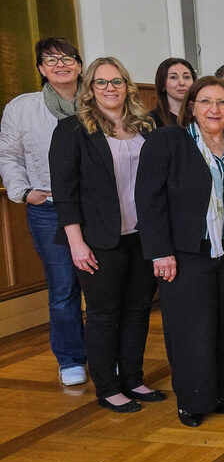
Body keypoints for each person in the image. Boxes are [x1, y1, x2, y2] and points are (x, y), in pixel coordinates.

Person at [135, 75, 224, 427]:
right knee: (192, 328)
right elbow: (149, 201)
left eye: (222, 102)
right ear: (191, 106)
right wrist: (160, 252)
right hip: (188, 251)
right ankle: (193, 400)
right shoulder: (168, 141)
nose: (214, 109)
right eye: (206, 101)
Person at [49, 57, 160, 412]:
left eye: (117, 81)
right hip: (97, 239)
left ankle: (132, 379)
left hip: (142, 236)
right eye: (101, 82)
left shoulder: (146, 126)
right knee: (103, 314)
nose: (110, 88)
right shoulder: (72, 129)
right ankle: (108, 387)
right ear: (89, 88)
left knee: (138, 311)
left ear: (128, 86)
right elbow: (65, 192)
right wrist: (76, 242)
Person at [0, 36, 87, 385]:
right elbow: (9, 155)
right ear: (40, 69)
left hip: (96, 208)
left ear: (80, 65)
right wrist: (24, 192)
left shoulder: (99, 100)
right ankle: (70, 359)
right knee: (63, 286)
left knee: (101, 286)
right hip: (48, 207)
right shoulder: (22, 107)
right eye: (51, 60)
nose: (61, 64)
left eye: (68, 58)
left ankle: (108, 354)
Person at [149, 58, 194, 127]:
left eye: (186, 77)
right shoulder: (151, 120)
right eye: (173, 77)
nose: (182, 83)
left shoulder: (202, 115)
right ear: (163, 83)